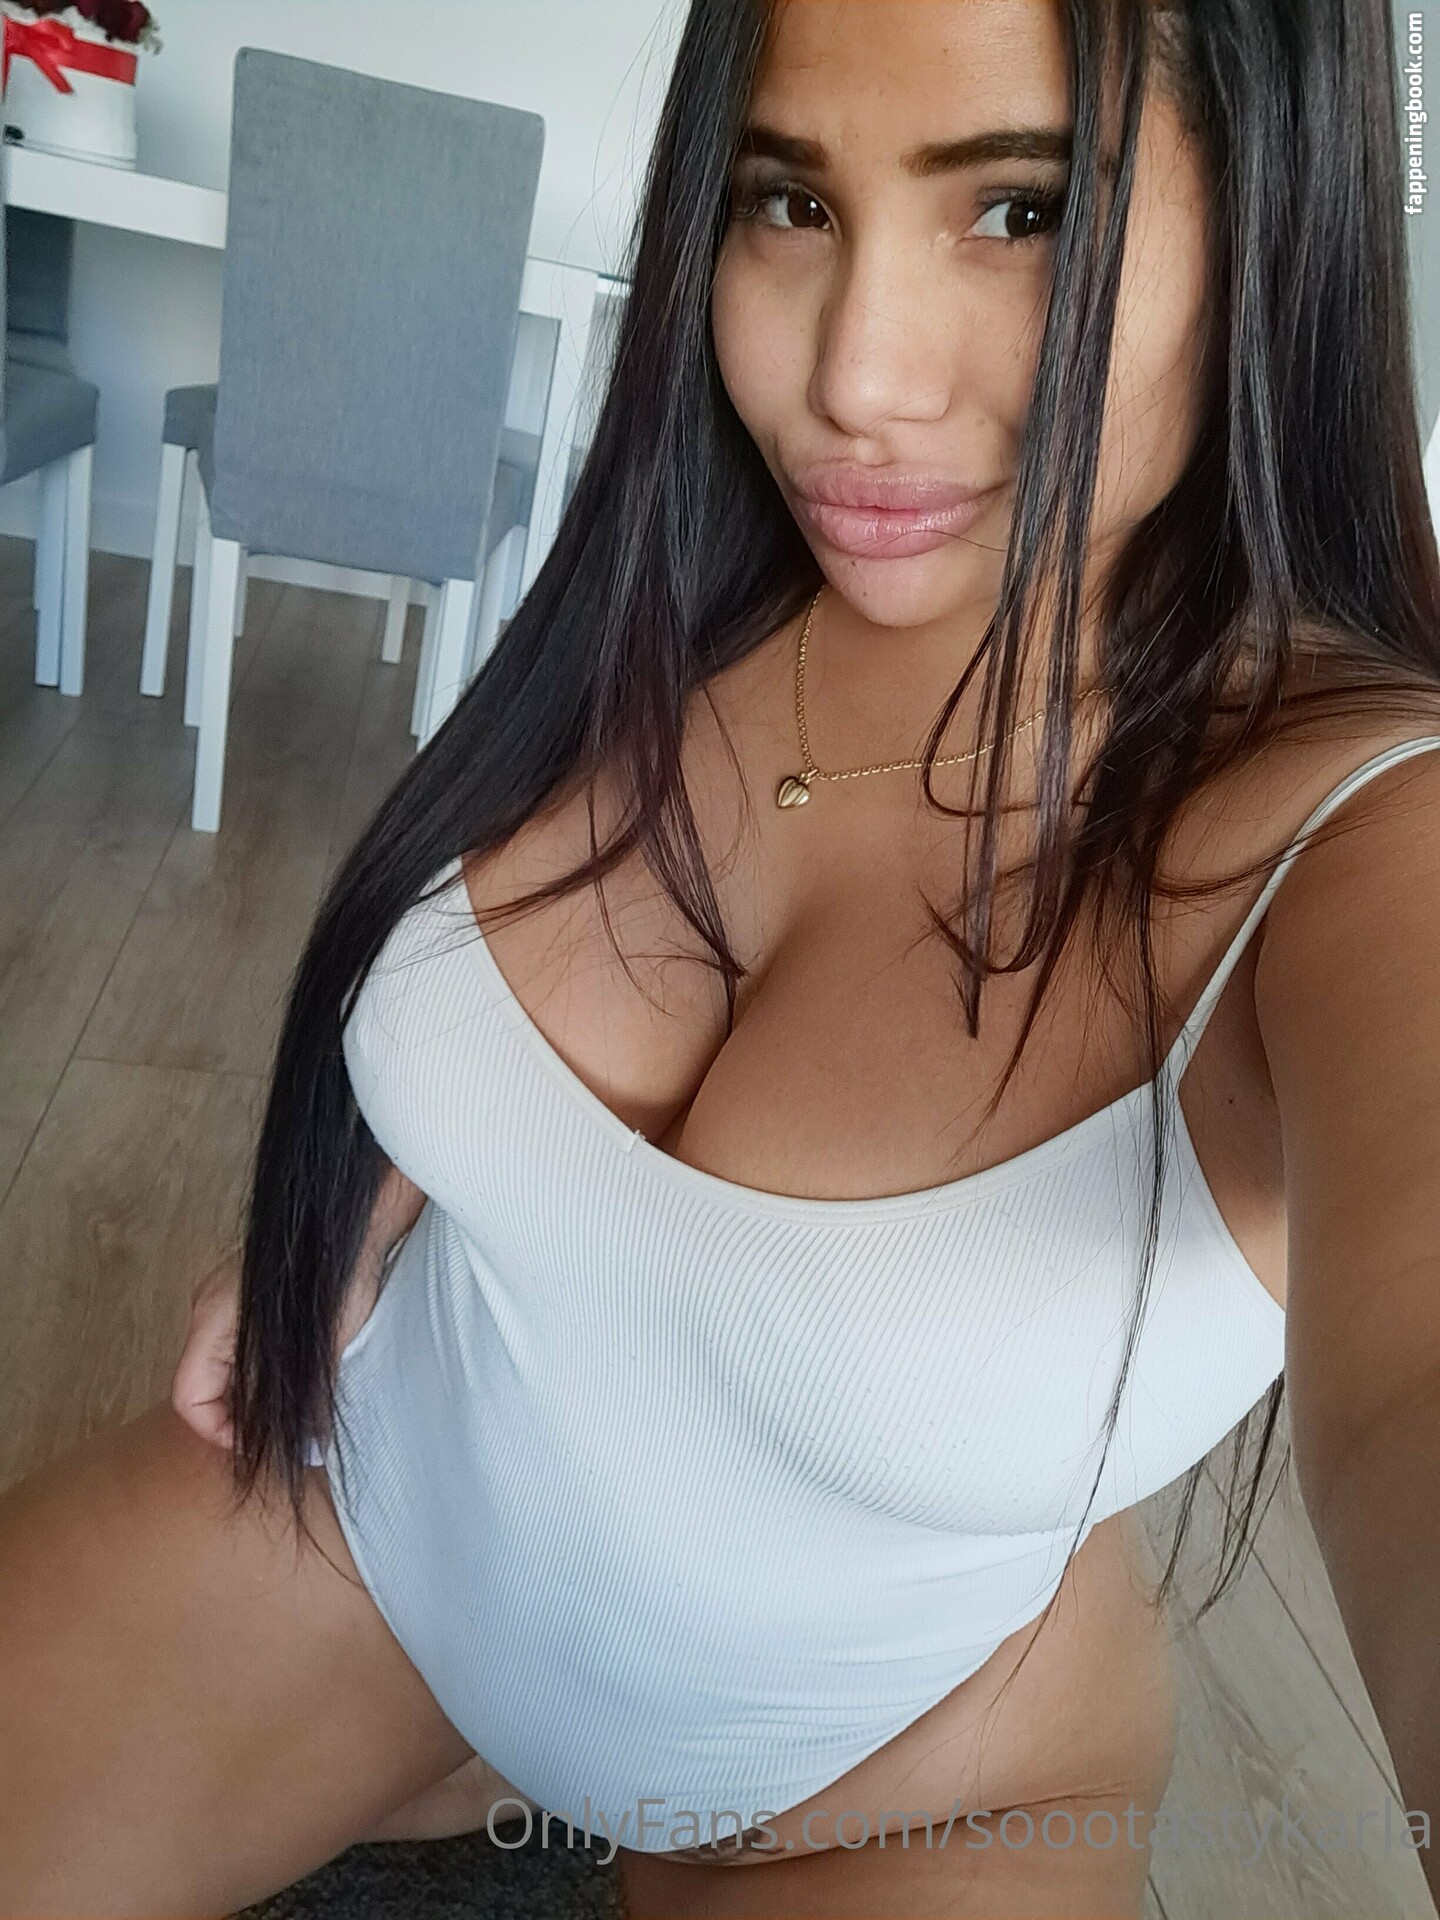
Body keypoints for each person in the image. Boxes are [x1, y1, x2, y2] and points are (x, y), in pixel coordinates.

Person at [4, 0, 1440, 1914]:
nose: (849, 381)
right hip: (375, 1527)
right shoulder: (710, 568)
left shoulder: (1359, 840)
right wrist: (348, 1216)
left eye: (1020, 211)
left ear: (1275, 220)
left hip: (885, 1784)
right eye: (789, 201)